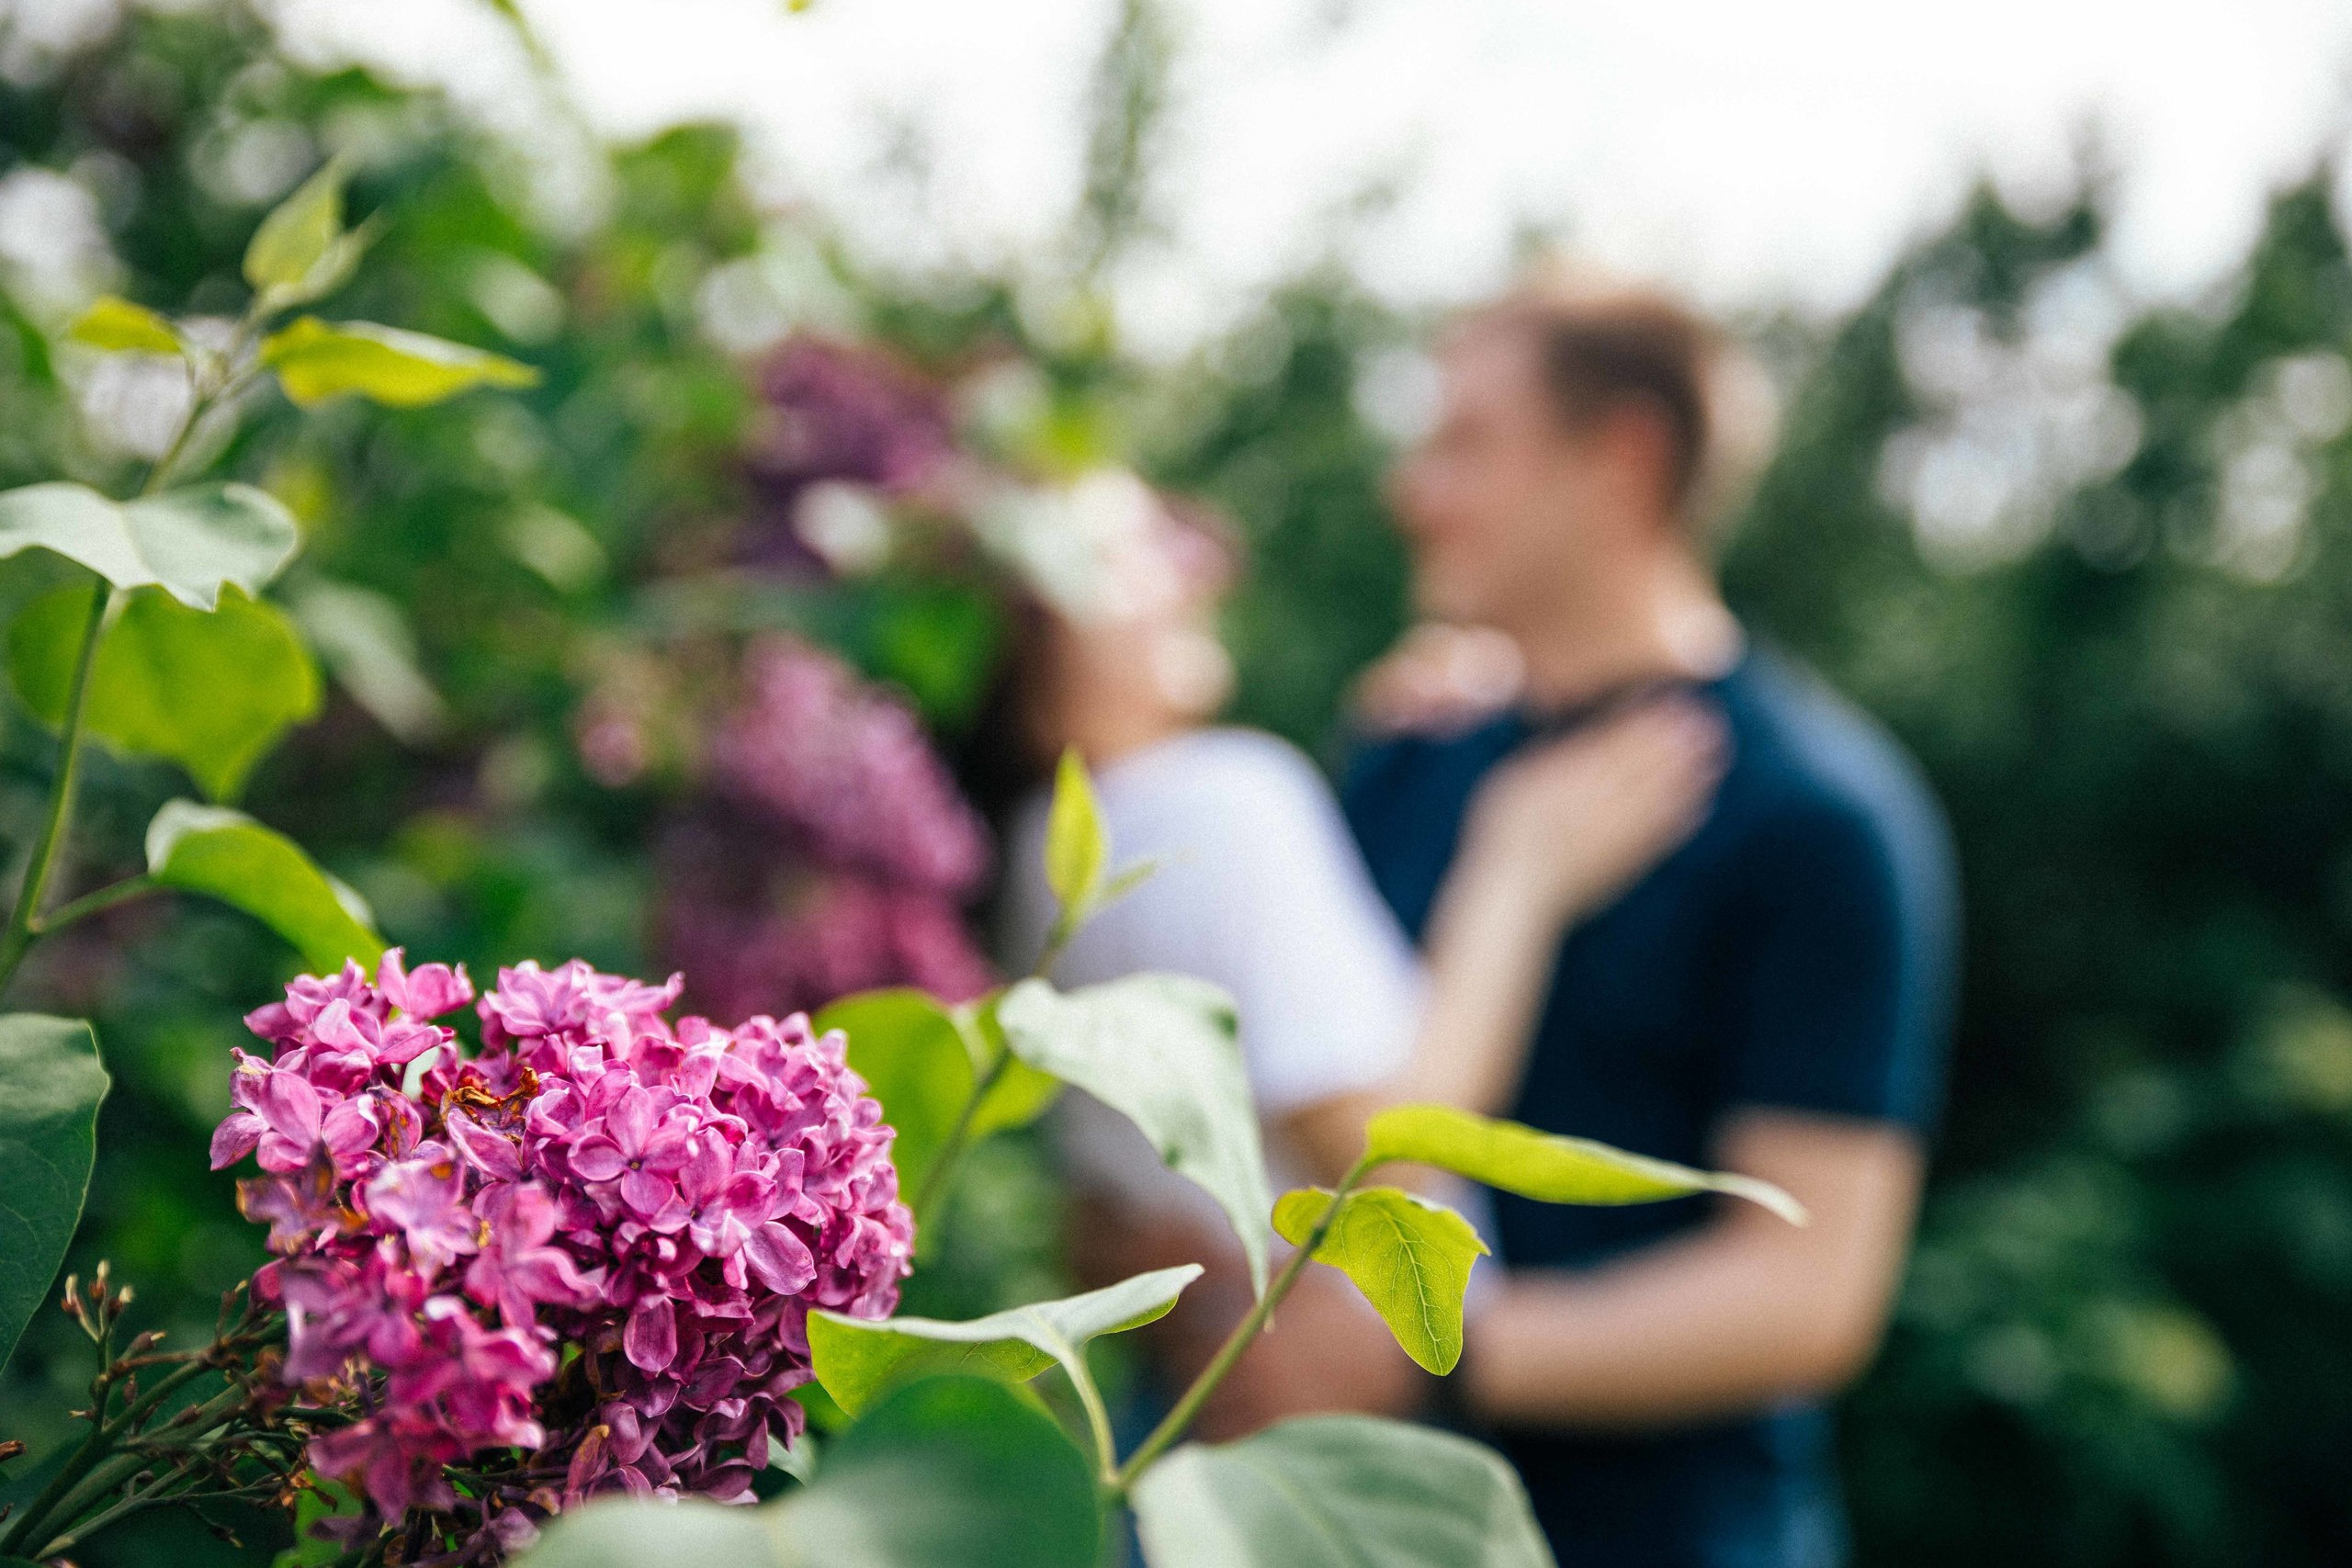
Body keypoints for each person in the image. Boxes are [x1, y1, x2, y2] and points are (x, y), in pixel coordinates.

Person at [1344, 269, 1961, 1566]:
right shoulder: (1405, 758)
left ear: (1621, 460)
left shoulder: (1819, 820)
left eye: (1467, 443)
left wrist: (1426, 1353)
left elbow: (1805, 1294)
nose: (1413, 490)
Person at [982, 469, 1725, 1437]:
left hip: (1183, 1404)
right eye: (1122, 558)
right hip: (1344, 1409)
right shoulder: (1222, 801)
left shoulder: (1034, 854)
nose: (1193, 572)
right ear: (1031, 637)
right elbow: (1390, 1155)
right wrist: (1519, 874)